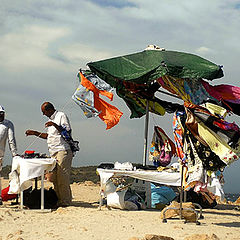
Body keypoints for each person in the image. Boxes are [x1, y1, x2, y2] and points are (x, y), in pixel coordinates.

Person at [25, 102, 74, 207]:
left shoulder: (61, 116)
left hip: (62, 150)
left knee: (62, 178)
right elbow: (49, 136)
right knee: (54, 178)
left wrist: (55, 125)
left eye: (44, 112)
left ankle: (66, 201)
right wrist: (35, 133)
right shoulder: (50, 120)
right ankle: (59, 200)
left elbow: (67, 131)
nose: (43, 114)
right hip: (53, 152)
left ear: (49, 109)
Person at [0, 105, 18, 204]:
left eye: (3, 113)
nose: (2, 115)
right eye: (0, 114)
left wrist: (14, 154)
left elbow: (11, 140)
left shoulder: (8, 124)